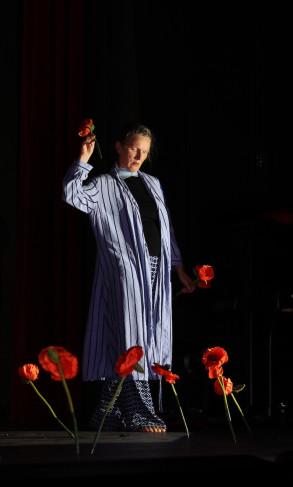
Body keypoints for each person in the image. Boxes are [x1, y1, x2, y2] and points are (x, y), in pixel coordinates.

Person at [62, 122, 194, 433]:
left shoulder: (152, 183)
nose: (138, 155)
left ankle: (106, 413)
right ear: (120, 146)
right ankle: (140, 412)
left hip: (155, 269)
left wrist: (180, 271)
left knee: (141, 337)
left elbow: (166, 230)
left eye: (144, 152)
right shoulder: (103, 184)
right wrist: (83, 160)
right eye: (134, 148)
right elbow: (71, 195)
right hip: (124, 270)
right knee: (132, 337)